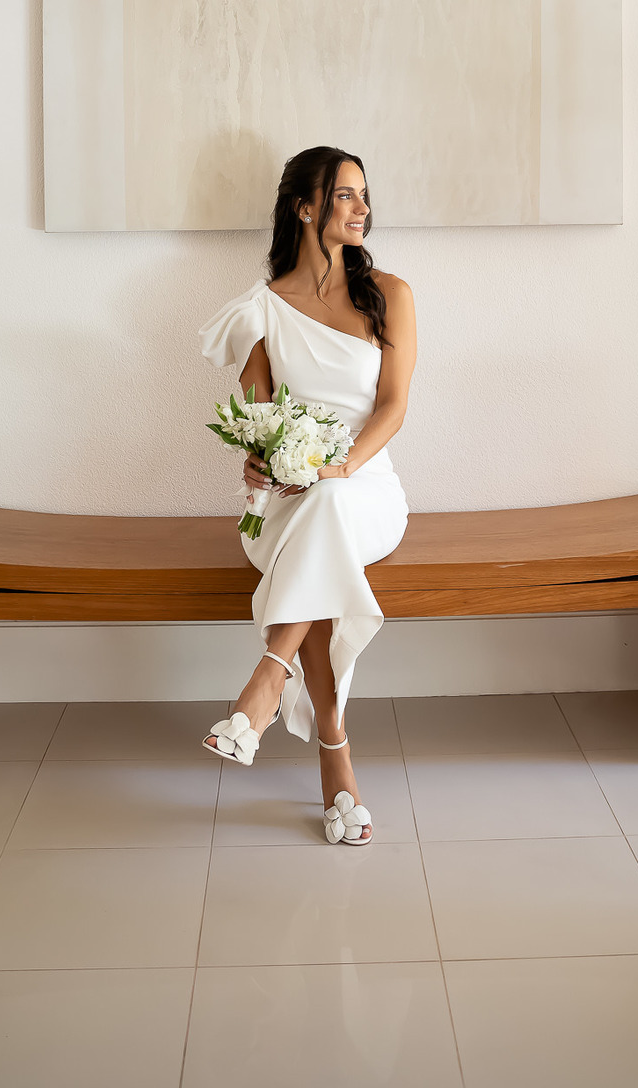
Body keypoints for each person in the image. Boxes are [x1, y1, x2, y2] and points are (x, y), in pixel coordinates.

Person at [197, 146, 416, 845]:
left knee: (329, 510)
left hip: (366, 488)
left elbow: (393, 408)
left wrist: (338, 467)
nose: (362, 209)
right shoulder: (261, 310)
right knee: (319, 531)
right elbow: (257, 419)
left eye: (363, 195)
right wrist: (258, 463)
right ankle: (333, 750)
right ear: (304, 208)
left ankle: (268, 681)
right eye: (345, 195)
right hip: (286, 503)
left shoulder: (390, 295)